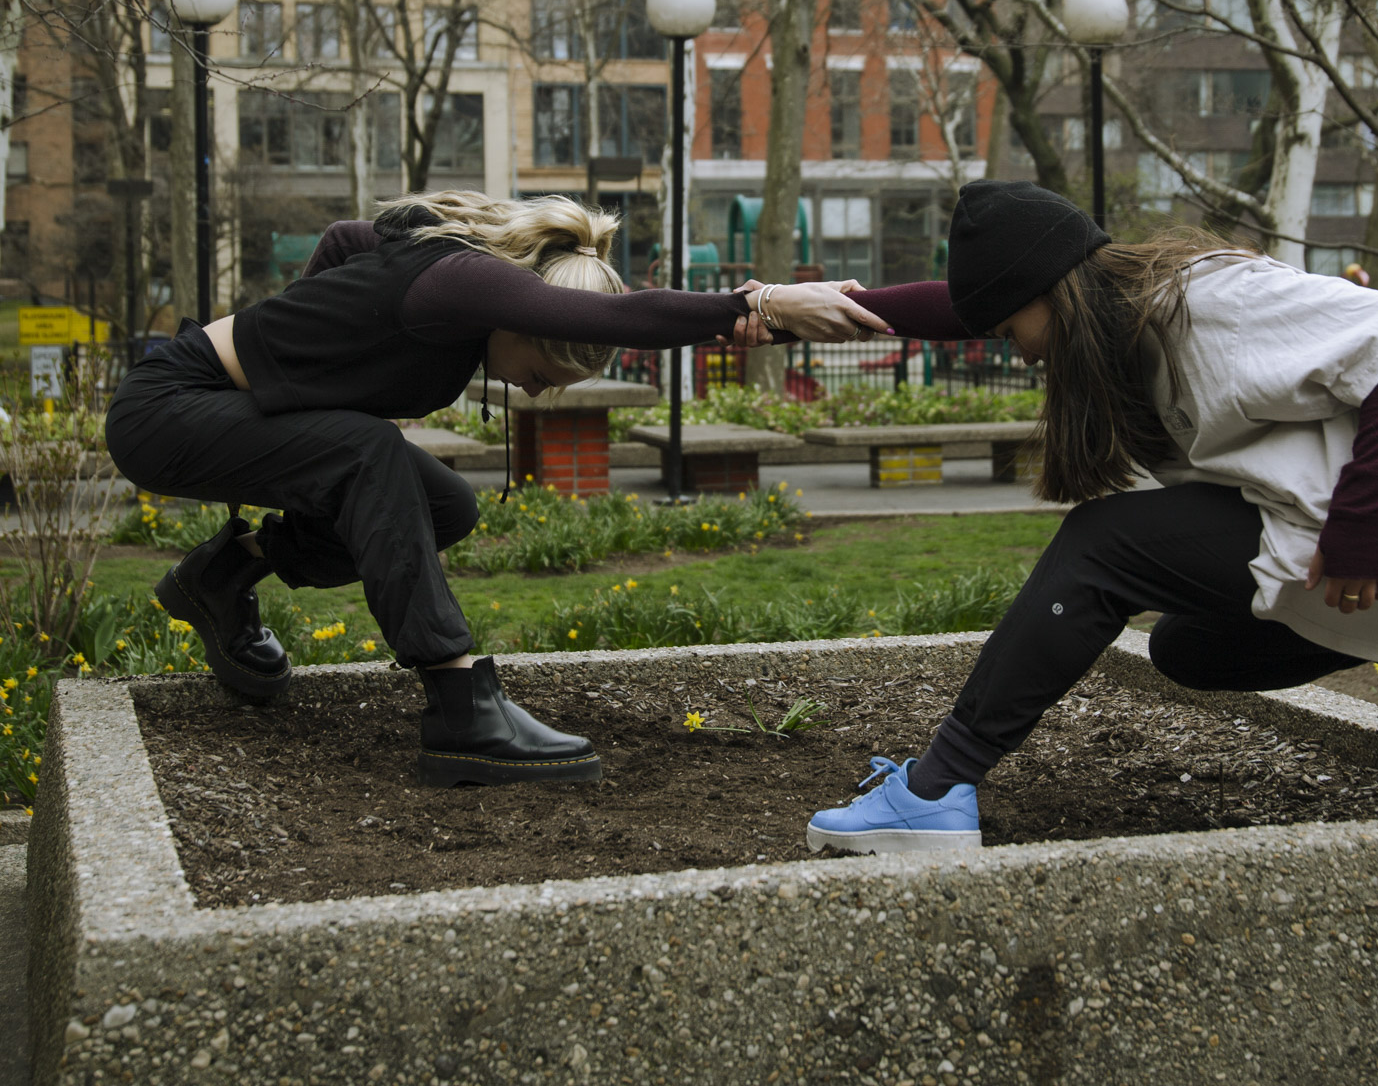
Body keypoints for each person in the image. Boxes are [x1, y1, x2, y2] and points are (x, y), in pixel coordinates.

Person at [732, 180, 1378, 854]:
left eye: (1011, 323)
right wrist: (777, 310)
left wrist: (1360, 518)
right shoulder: (1112, 314)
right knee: (1187, 648)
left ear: (1049, 292)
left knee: (1103, 544)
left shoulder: (1202, 303)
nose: (1014, 349)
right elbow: (960, 307)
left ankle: (937, 788)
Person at [105, 190, 890, 788]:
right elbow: (638, 318)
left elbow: (350, 240)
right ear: (521, 317)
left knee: (447, 503)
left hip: (225, 408)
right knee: (369, 452)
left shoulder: (440, 288)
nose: (542, 393)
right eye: (545, 374)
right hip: (169, 408)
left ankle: (227, 570)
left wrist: (315, 355)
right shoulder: (458, 283)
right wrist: (760, 303)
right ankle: (459, 709)